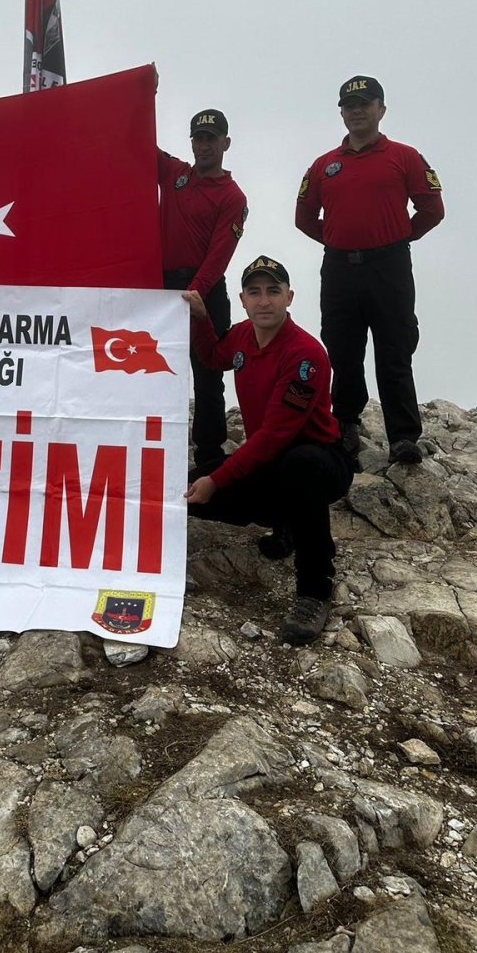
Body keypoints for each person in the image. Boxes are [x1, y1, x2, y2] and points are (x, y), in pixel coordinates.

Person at [182, 256, 352, 645]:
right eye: (255, 292)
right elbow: (211, 357)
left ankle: (314, 592)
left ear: (289, 297)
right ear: (242, 300)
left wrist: (217, 478)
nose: (264, 301)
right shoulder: (243, 336)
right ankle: (287, 523)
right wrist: (201, 317)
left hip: (321, 462)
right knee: (186, 492)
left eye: (273, 291)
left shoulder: (305, 354)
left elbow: (275, 435)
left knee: (300, 464)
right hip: (272, 465)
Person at [295, 76, 444, 464]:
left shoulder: (404, 156)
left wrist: (396, 238)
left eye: (364, 103)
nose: (356, 110)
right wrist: (337, 239)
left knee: (395, 348)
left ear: (381, 108)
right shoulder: (324, 164)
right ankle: (344, 424)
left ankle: (403, 436)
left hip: (388, 267)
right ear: (341, 112)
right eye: (349, 104)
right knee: (342, 349)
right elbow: (304, 216)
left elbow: (432, 209)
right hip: (340, 269)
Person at [158, 109, 248, 471]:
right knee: (154, 369)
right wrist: (146, 94)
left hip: (203, 293)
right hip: (162, 290)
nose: (204, 145)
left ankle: (209, 456)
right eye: (198, 138)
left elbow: (219, 254)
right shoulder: (176, 174)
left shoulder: (232, 196)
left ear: (226, 143)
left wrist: (194, 294)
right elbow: (138, 147)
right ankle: (156, 447)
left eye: (212, 138)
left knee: (208, 376)